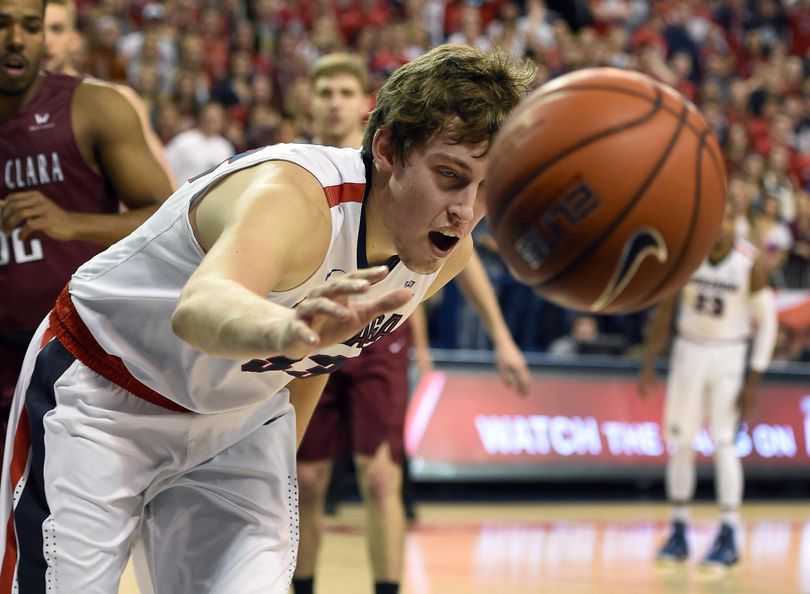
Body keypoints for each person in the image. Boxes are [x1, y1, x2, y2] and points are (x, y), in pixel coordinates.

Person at [0, 39, 537, 593]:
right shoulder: (296, 196)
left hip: (239, 425)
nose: (466, 209)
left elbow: (316, 360)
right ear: (387, 149)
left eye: (486, 186)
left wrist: (288, 419)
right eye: (450, 175)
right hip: (105, 394)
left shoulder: (446, 254)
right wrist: (286, 329)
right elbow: (202, 307)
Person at [293, 53, 531, 594]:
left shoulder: (425, 177)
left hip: (377, 337)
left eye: (344, 92)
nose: (333, 102)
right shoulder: (302, 174)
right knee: (305, 478)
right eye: (323, 91)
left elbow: (457, 261)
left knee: (380, 476)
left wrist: (501, 338)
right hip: (306, 331)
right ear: (309, 100)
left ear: (365, 108)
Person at [0, 0, 174, 461]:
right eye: (2, 25)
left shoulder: (95, 106)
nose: (16, 39)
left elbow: (167, 215)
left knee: (60, 518)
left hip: (71, 348)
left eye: (31, 26)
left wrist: (69, 222)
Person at [638, 205, 778, 568]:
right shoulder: (689, 256)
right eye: (716, 220)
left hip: (729, 355)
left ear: (738, 224)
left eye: (729, 219)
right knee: (680, 441)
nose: (722, 227)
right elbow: (666, 310)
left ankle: (730, 532)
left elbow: (769, 324)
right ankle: (679, 530)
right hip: (689, 351)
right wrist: (650, 360)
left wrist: (754, 379)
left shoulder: (751, 266)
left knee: (725, 442)